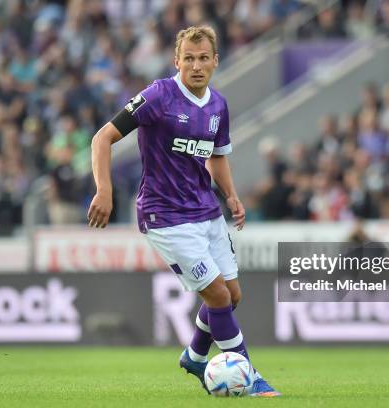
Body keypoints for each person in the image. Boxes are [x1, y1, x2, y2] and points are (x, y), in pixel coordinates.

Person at [88, 25, 280, 397]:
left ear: (215, 61)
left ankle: (194, 355)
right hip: (165, 215)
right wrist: (104, 190)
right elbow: (102, 138)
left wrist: (232, 195)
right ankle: (250, 376)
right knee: (218, 297)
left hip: (206, 210)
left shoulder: (218, 106)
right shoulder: (159, 96)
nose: (196, 65)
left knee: (232, 294)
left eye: (203, 58)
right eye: (188, 58)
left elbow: (218, 157)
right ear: (176, 61)